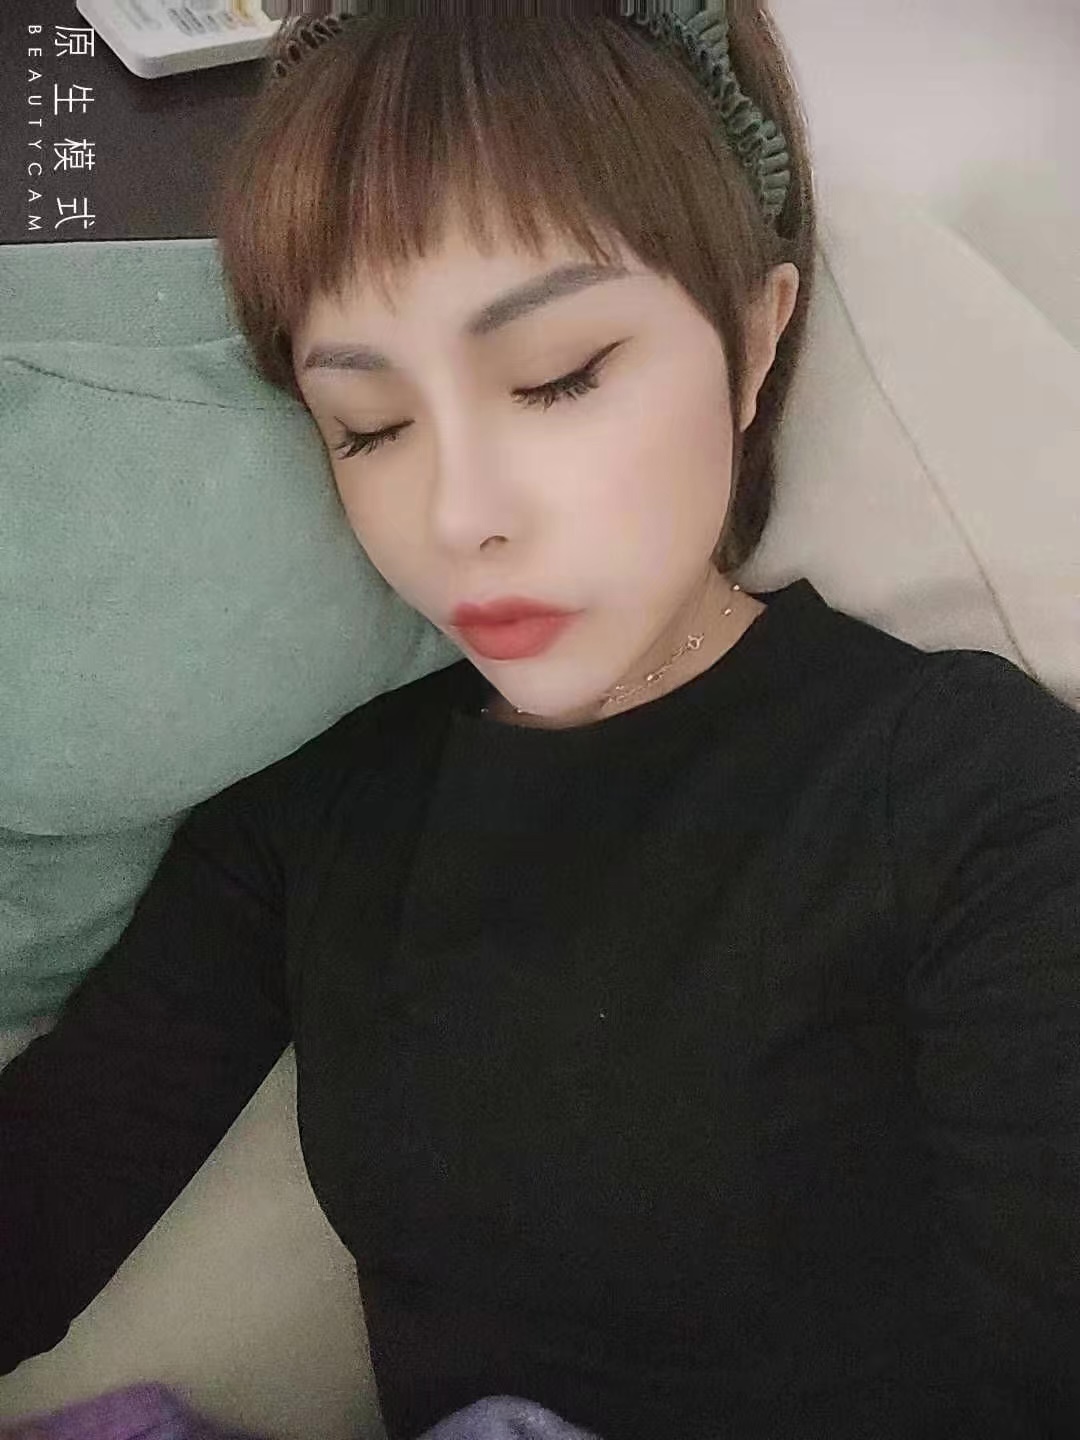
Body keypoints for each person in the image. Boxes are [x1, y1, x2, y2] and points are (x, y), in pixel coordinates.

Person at [3, 4, 1079, 1438]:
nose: (461, 517)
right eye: (370, 425)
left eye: (558, 375)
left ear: (756, 338)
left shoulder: (973, 795)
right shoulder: (318, 814)